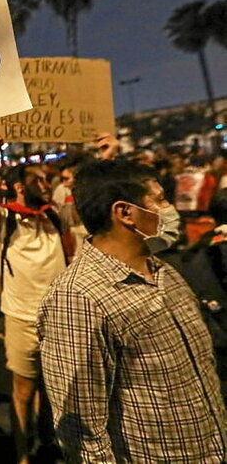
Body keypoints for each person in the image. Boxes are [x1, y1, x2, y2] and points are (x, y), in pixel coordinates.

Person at [37, 160, 226, 462]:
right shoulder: (80, 298)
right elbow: (82, 429)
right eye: (160, 200)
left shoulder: (164, 270)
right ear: (125, 212)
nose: (169, 209)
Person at [0, 131, 67, 464]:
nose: (46, 183)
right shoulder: (3, 219)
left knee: (52, 391)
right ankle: (22, 454)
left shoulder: (54, 217)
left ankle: (46, 441)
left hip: (60, 320)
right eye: (37, 180)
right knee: (23, 392)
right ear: (20, 188)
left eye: (47, 178)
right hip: (23, 319)